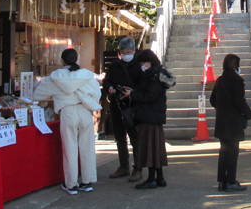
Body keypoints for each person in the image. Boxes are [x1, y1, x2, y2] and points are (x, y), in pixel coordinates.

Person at [33, 49, 102, 195]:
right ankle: (87, 182)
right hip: (84, 110)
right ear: (76, 59)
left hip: (67, 112)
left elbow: (38, 94)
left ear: (62, 60)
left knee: (69, 148)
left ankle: (71, 184)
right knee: (87, 147)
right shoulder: (86, 75)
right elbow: (97, 93)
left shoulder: (56, 76)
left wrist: (57, 95)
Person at [121, 49, 169, 190]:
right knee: (156, 148)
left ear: (149, 62)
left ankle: (151, 179)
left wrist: (133, 94)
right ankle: (159, 178)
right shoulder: (157, 73)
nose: (142, 65)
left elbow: (150, 96)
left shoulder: (153, 75)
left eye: (143, 62)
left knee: (149, 148)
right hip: (155, 116)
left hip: (150, 116)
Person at [210, 53, 251, 192]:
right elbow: (239, 101)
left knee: (223, 151)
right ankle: (231, 181)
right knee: (233, 152)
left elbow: (212, 100)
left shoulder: (219, 80)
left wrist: (222, 108)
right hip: (234, 121)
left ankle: (222, 182)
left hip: (222, 120)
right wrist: (248, 114)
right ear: (236, 66)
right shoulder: (237, 80)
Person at [103, 38, 143, 182]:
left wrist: (133, 92)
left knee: (135, 138)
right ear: (119, 53)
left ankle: (138, 168)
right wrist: (110, 88)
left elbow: (144, 86)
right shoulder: (114, 66)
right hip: (117, 105)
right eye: (124, 52)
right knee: (119, 137)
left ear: (134, 51)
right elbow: (106, 81)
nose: (127, 54)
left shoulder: (139, 65)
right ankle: (123, 166)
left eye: (129, 52)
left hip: (133, 107)